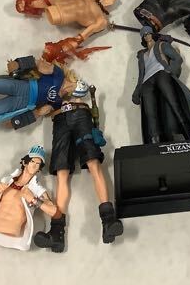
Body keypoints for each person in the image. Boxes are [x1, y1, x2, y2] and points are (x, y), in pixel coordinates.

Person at [28, 78, 122, 251]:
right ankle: (56, 233)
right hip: (59, 119)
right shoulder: (45, 84)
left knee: (93, 163)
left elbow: (81, 88)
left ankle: (108, 220)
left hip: (80, 114)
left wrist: (64, 89)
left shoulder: (65, 78)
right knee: (61, 173)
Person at [0, 146, 59, 250]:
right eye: (32, 161)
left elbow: (54, 212)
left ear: (39, 168)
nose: (34, 165)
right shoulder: (7, 181)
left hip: (12, 236)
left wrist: (34, 200)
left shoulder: (37, 190)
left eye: (38, 164)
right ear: (25, 162)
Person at [132, 26, 190, 144]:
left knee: (174, 105)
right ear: (143, 38)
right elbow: (140, 76)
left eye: (149, 33)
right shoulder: (142, 55)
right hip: (147, 82)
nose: (147, 36)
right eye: (144, 35)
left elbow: (177, 58)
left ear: (152, 34)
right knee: (150, 115)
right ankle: (156, 145)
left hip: (161, 73)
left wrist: (170, 70)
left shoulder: (161, 45)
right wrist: (137, 91)